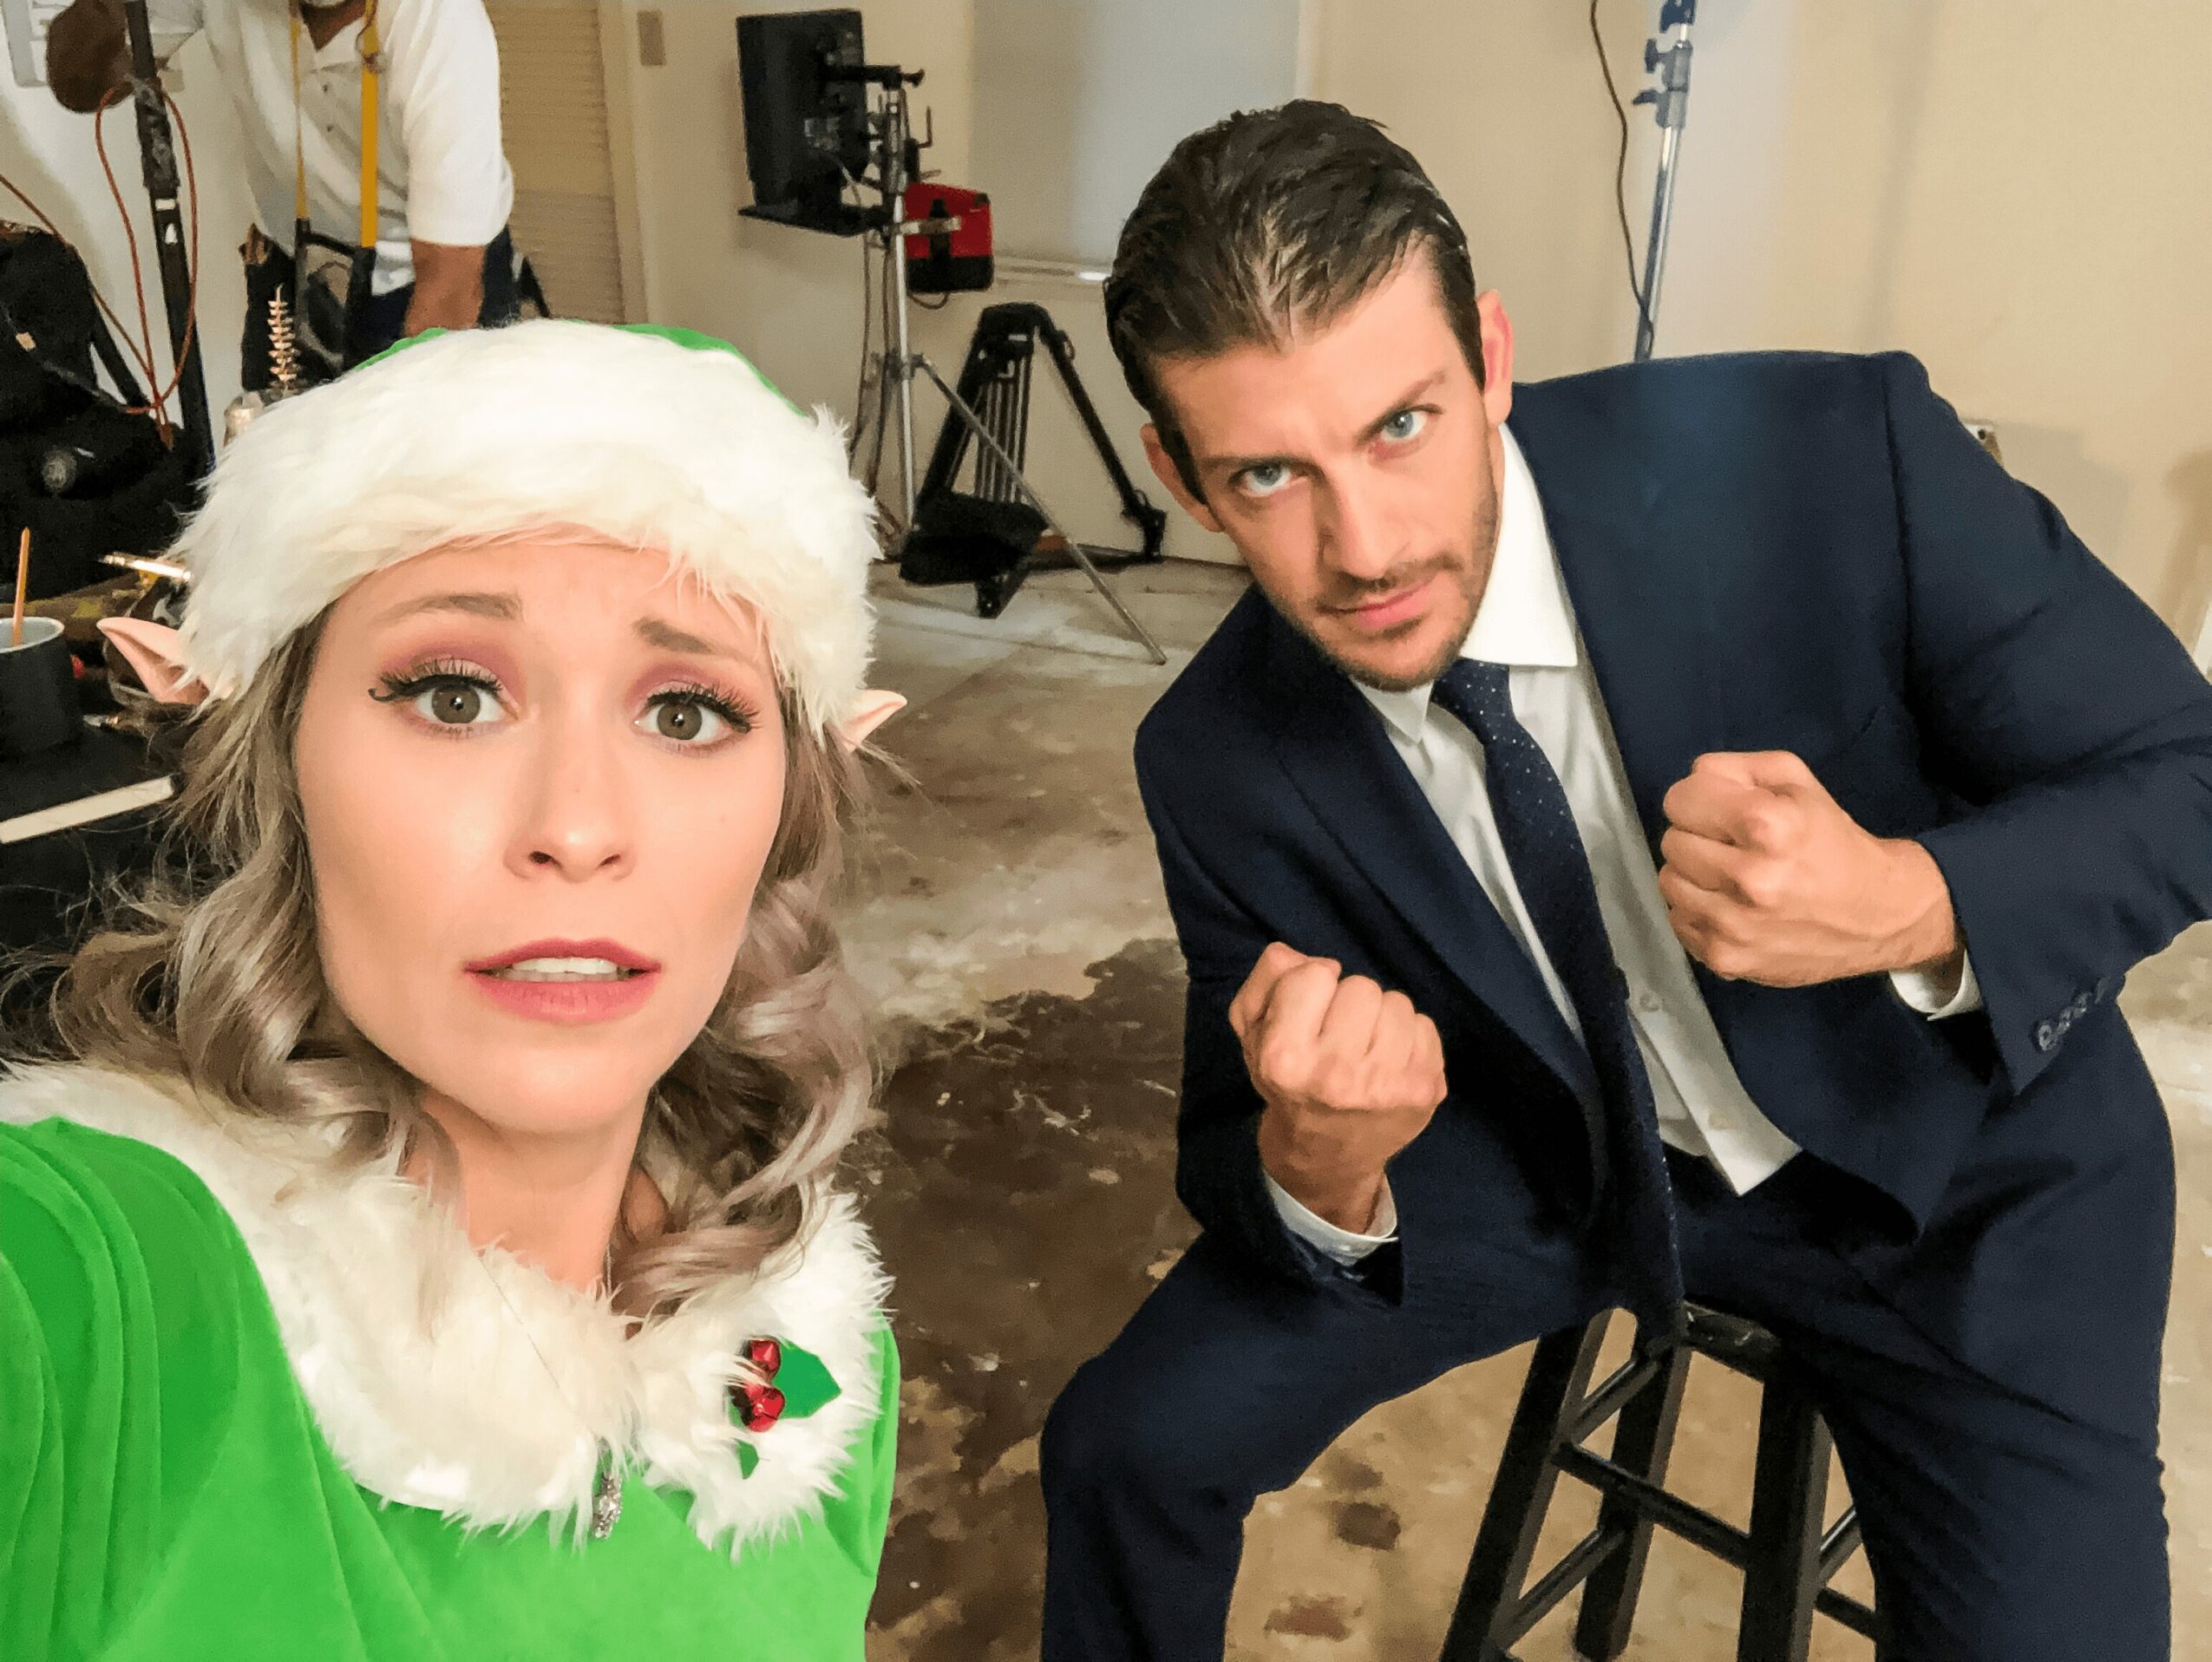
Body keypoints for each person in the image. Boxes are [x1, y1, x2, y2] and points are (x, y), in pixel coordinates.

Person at [1039, 101, 2212, 1660]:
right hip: (1546, 1163)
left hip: (1961, 1167)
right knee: (1124, 1445)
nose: (1365, 547)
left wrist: (1909, 901)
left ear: (1491, 357)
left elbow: (2185, 774)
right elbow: (1232, 1149)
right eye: (1267, 474)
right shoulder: (1213, 755)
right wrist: (1322, 1160)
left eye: (1401, 427)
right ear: (1181, 481)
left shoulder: (1833, 451)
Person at [0, 319, 908, 1659]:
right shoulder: (98, 1293)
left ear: (797, 796)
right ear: (275, 761)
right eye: (454, 696)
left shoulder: (817, 1376)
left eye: (685, 713)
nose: (578, 827)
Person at [45, 0, 523, 388]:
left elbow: (449, 283)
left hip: (428, 280)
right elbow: (77, 84)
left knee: (422, 464)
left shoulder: (439, 17)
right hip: (295, 272)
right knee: (272, 459)